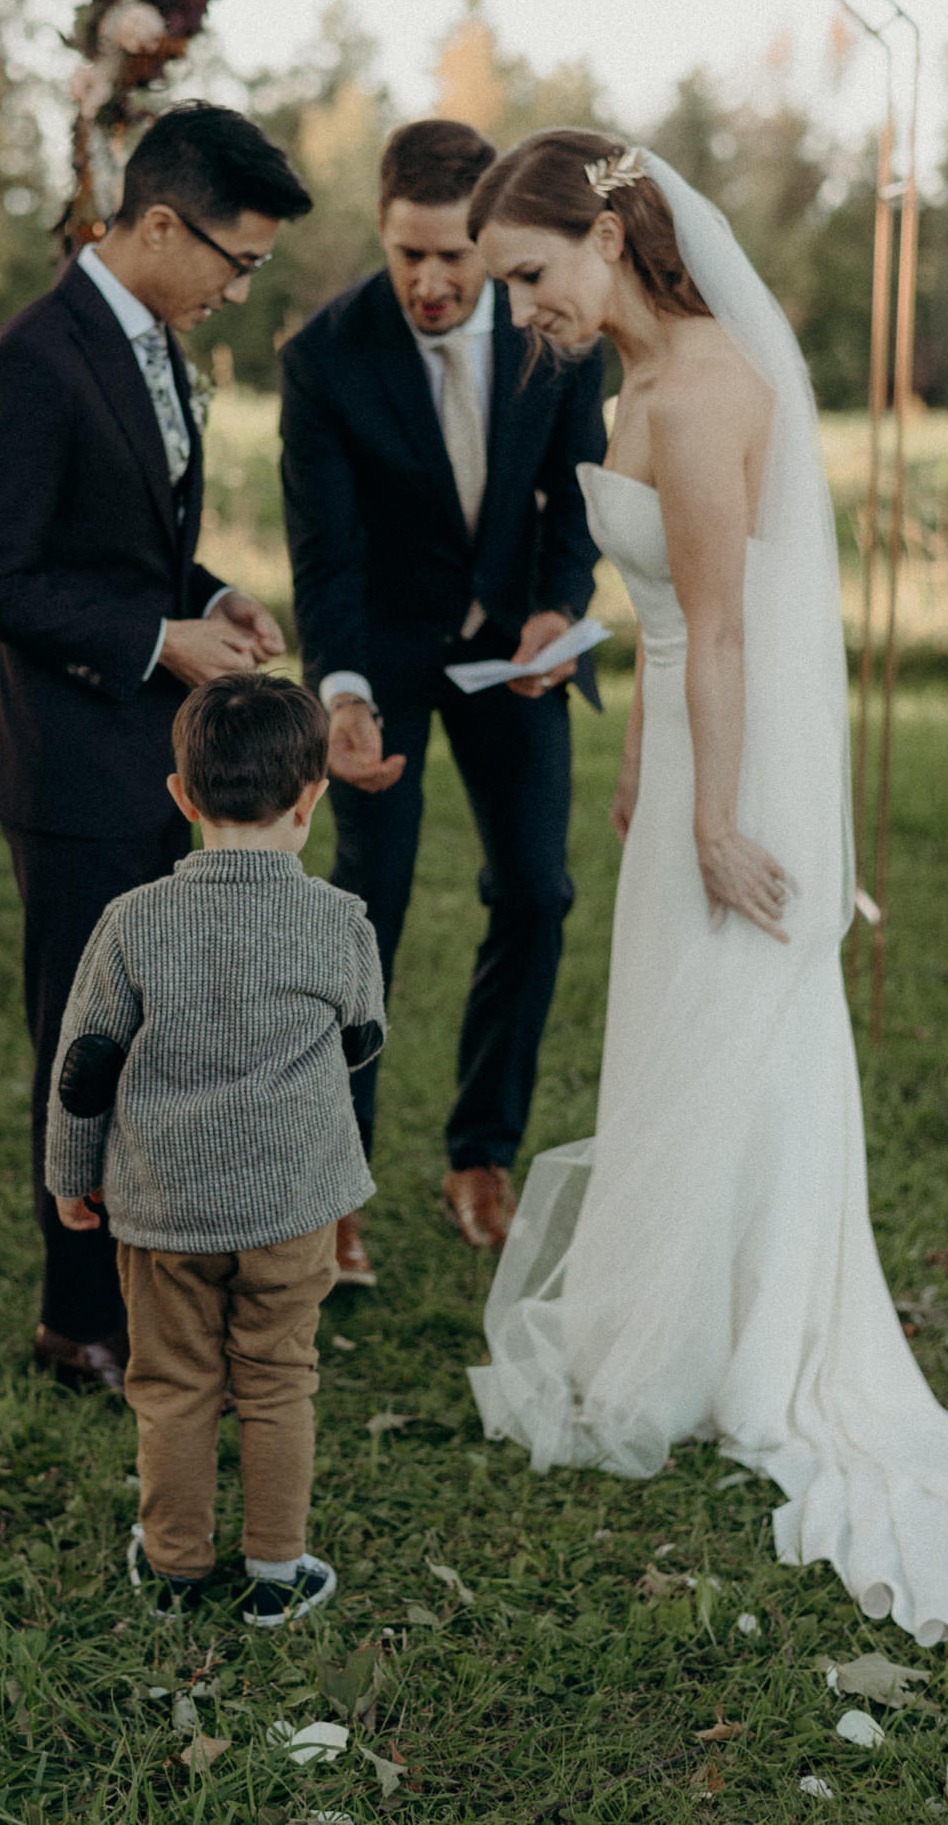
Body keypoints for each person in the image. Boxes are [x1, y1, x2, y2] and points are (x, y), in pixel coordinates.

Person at [465, 129, 948, 1647]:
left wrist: (713, 818)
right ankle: (693, 1308)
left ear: (607, 237)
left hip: (726, 759)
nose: (520, 308)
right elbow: (672, 627)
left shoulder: (692, 393)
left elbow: (726, 629)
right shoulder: (636, 386)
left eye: (529, 275)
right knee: (685, 1031)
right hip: (684, 741)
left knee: (733, 1022)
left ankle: (739, 1347)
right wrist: (640, 768)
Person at [0, 104, 312, 1396]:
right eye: (236, 258)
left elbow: (129, 544)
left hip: (141, 745)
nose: (238, 284)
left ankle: (146, 1277)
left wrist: (204, 598)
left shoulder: (153, 344)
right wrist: (157, 643)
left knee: (161, 1028)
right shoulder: (32, 363)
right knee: (83, 1038)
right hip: (62, 763)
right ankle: (73, 1322)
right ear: (159, 225)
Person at [279, 119, 603, 1286]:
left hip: (517, 652)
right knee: (364, 908)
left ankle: (480, 1158)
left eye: (451, 258)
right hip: (386, 661)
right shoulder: (323, 355)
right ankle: (332, 1188)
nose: (427, 280)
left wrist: (560, 608)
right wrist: (344, 693)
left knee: (536, 889)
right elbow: (325, 552)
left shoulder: (552, 329)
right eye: (405, 252)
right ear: (381, 229)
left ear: (488, 243)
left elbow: (577, 495)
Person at [45, 673, 384, 1624]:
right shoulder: (337, 922)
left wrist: (72, 1176)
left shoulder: (133, 923)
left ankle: (174, 1564)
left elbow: (85, 1067)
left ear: (181, 797)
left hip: (164, 1213)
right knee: (279, 1378)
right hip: (291, 1209)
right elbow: (364, 1037)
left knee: (174, 1382)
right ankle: (277, 1570)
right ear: (313, 796)